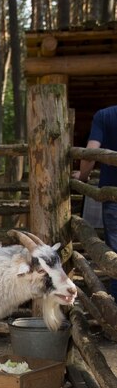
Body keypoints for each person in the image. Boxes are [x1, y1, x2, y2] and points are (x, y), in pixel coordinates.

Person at [73, 105, 117, 301]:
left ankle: (114, 312)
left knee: (115, 254)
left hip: (112, 197)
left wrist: (82, 176)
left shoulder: (105, 115)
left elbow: (91, 151)